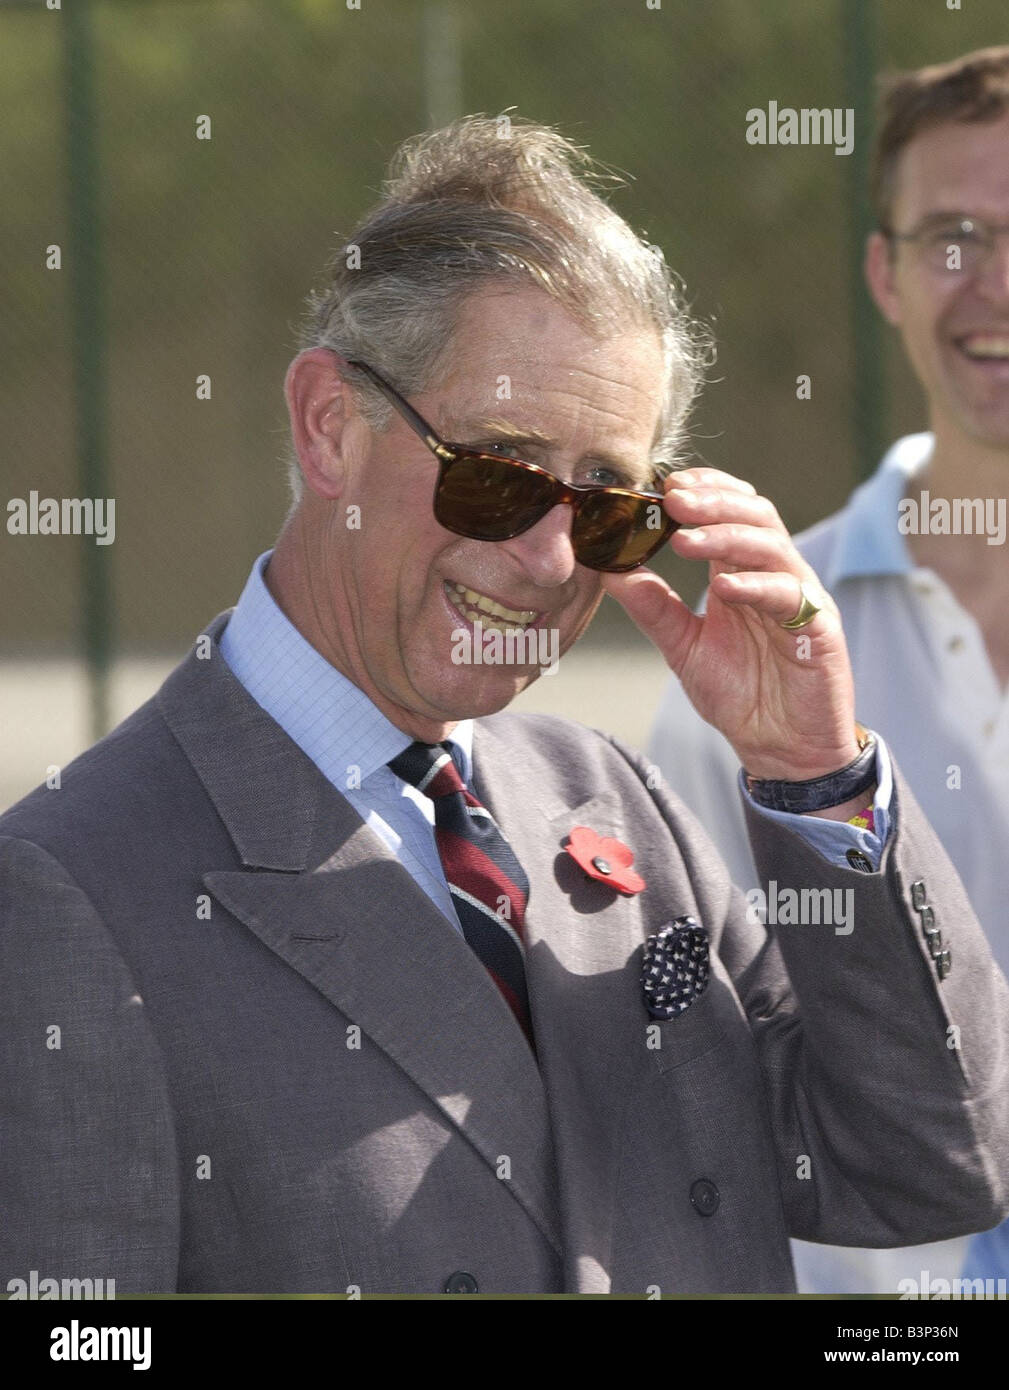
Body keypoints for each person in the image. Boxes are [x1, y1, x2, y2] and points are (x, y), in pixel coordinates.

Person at [2, 115, 1007, 1297]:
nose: (544, 558)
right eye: (494, 471)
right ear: (330, 424)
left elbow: (927, 1164)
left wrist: (814, 774)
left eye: (606, 506)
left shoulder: (616, 799)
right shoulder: (65, 892)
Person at [648, 47, 1009, 1294]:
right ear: (884, 273)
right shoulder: (755, 640)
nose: (995, 284)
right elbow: (688, 1029)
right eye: (954, 235)